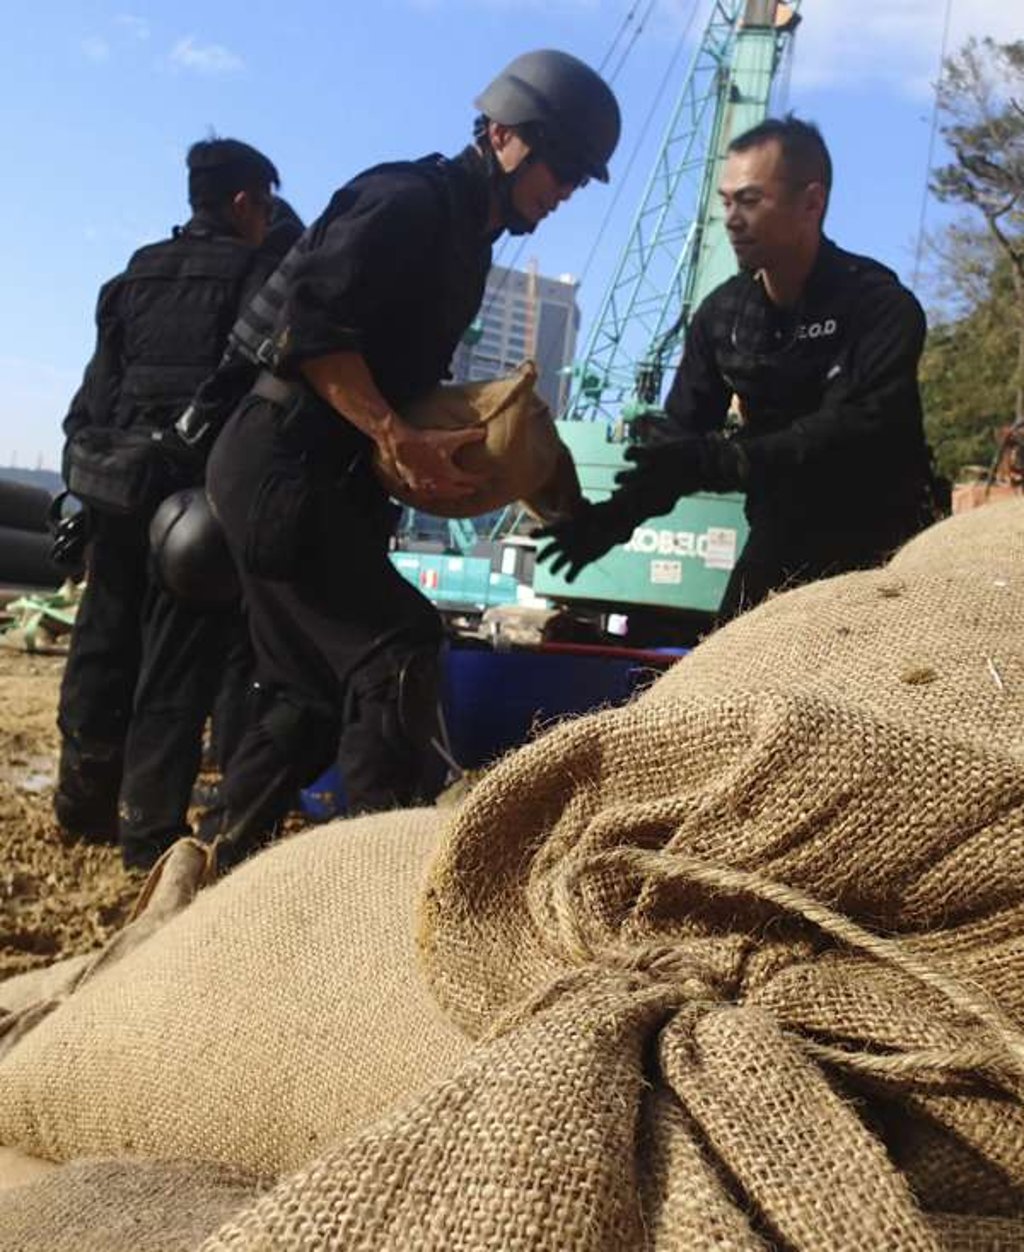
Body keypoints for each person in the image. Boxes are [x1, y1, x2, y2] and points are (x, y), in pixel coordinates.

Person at [198, 49, 621, 867]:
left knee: (306, 694)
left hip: (308, 471)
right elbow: (311, 331)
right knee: (397, 652)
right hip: (283, 461)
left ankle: (214, 866)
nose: (564, 191)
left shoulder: (465, 239)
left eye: (578, 178)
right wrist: (396, 435)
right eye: (561, 166)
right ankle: (387, 877)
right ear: (502, 134)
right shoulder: (407, 201)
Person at [537, 115, 938, 620]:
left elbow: (854, 428)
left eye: (750, 200)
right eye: (726, 202)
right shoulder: (721, 319)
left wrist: (726, 460)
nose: (731, 218)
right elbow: (677, 447)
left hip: (886, 543)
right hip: (780, 534)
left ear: (811, 203)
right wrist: (610, 523)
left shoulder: (880, 307)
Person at [54, 138, 282, 870]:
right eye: (267, 203)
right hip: (190, 504)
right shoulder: (256, 274)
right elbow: (252, 399)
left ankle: (82, 806)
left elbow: (93, 398)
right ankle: (146, 836)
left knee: (101, 645)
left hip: (113, 489)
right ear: (246, 202)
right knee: (174, 666)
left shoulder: (132, 277)